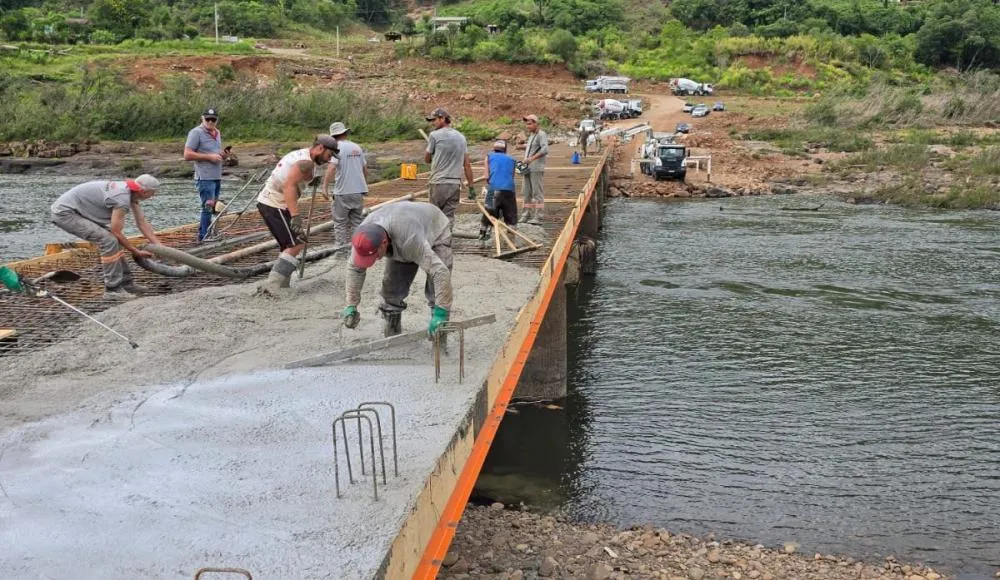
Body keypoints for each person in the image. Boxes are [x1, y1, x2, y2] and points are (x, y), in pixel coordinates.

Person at [341, 202, 453, 338]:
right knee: (391, 292)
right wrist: (351, 304)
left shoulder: (409, 240)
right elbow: (355, 269)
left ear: (383, 245)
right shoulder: (363, 236)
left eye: (375, 256)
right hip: (402, 229)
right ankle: (393, 336)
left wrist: (441, 312)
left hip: (435, 228)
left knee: (436, 293)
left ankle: (439, 343)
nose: (374, 260)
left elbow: (440, 272)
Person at [49, 175, 163, 299]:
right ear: (143, 191)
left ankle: (126, 284)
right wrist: (135, 251)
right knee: (109, 240)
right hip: (65, 213)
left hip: (79, 210)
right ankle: (112, 290)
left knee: (115, 241)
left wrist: (159, 245)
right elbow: (116, 231)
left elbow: (141, 223)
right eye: (153, 193)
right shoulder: (121, 199)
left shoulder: (131, 193)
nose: (153, 196)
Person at [255, 136, 339, 290]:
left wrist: (309, 180)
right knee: (296, 244)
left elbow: (294, 176)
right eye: (329, 154)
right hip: (274, 203)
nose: (329, 159)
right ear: (320, 148)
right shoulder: (305, 163)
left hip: (275, 203)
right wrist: (295, 216)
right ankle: (271, 287)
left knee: (290, 245)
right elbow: (289, 186)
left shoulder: (304, 157)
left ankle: (282, 285)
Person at [424, 108, 475, 229]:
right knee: (449, 216)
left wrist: (434, 157)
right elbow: (467, 164)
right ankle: (447, 240)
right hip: (454, 184)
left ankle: (436, 242)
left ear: (443, 119)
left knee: (435, 214)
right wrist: (471, 187)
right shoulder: (461, 137)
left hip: (438, 182)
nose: (433, 123)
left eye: (435, 120)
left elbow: (427, 159)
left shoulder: (434, 135)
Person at [184, 107, 228, 242]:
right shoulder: (195, 133)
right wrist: (209, 157)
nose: (210, 122)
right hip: (204, 178)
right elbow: (187, 155)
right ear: (202, 119)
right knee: (207, 208)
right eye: (207, 119)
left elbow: (215, 151)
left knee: (215, 207)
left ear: (217, 120)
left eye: (213, 119)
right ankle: (203, 236)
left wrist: (222, 154)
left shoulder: (217, 132)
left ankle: (210, 232)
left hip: (216, 176)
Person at [322, 121, 369, 246]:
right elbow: (365, 170)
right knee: (356, 222)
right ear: (345, 133)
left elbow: (332, 168)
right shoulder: (357, 147)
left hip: (343, 192)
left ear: (332, 136)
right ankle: (357, 248)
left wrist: (325, 187)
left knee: (340, 223)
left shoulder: (336, 148)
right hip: (358, 192)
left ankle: (341, 250)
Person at [479, 140, 517, 245]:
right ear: (505, 150)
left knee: (488, 215)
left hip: (494, 189)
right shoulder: (512, 159)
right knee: (510, 217)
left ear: (494, 149)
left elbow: (486, 176)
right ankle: (510, 242)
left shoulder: (489, 156)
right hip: (509, 190)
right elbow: (512, 176)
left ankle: (482, 240)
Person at [521, 114, 549, 225]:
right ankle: (526, 214)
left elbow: (545, 149)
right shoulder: (532, 135)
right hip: (527, 168)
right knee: (526, 192)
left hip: (536, 168)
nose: (528, 126)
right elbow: (532, 147)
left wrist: (532, 158)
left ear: (536, 124)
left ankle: (539, 216)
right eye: (527, 124)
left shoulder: (541, 134)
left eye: (530, 124)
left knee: (537, 193)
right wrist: (522, 147)